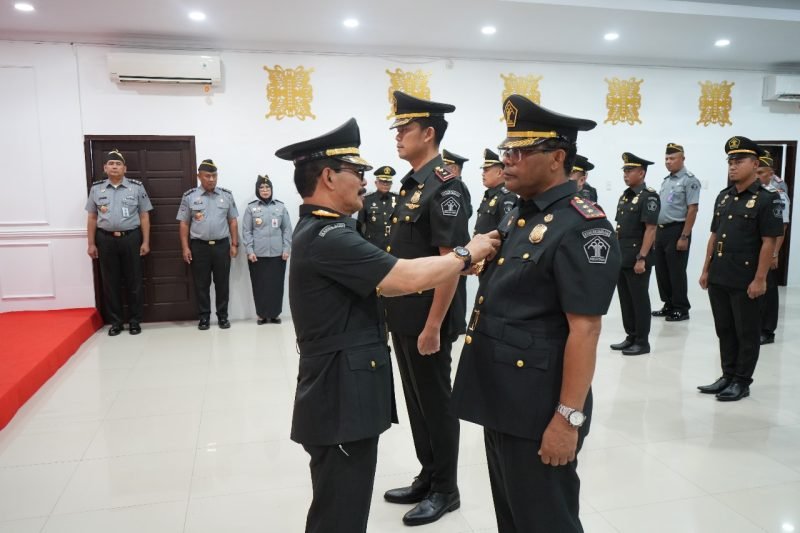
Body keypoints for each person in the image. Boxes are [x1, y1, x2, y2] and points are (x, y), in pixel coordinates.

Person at [275, 118, 499, 533]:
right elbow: (404, 277)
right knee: (339, 511)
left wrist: (449, 266)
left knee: (343, 501)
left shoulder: (326, 229)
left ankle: (440, 483)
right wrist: (469, 253)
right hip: (340, 394)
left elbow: (404, 271)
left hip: (342, 387)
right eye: (355, 173)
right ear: (327, 176)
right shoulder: (329, 235)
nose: (363, 181)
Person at [451, 95, 621, 533]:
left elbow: (585, 329)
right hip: (503, 394)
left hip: (538, 403)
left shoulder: (584, 225)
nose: (507, 161)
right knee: (513, 515)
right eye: (506, 150)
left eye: (520, 151)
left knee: (545, 519)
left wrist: (568, 419)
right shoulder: (519, 214)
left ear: (557, 158)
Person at [382, 91, 471, 526]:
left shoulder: (447, 187)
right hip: (404, 315)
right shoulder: (412, 183)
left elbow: (449, 264)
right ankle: (428, 474)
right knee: (417, 402)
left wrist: (434, 324)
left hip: (428, 319)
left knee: (436, 402)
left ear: (429, 133)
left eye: (405, 129)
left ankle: (446, 489)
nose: (398, 136)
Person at [698, 136, 783, 401]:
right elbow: (714, 235)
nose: (733, 166)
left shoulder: (767, 200)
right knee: (724, 329)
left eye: (739, 161)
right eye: (730, 161)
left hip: (746, 278)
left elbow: (769, 241)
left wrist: (761, 278)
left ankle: (742, 381)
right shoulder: (724, 197)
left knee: (746, 333)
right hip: (720, 274)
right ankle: (727, 375)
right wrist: (705, 269)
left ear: (755, 164)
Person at [85, 149, 152, 336]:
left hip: (131, 237)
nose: (114, 167)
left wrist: (145, 241)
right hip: (105, 239)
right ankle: (115, 322)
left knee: (134, 281)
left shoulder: (136, 188)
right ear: (105, 168)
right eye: (111, 164)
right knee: (110, 282)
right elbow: (91, 217)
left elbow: (144, 216)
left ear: (125, 168)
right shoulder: (97, 189)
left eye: (118, 164)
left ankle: (135, 321)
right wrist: (91, 243)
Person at [177, 159, 239, 330]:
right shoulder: (190, 196)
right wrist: (185, 247)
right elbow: (184, 224)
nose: (211, 179)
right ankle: (204, 317)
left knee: (222, 283)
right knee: (201, 284)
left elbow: (233, 221)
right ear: (199, 176)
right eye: (207, 176)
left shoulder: (226, 196)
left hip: (221, 246)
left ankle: (223, 317)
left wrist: (235, 244)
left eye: (214, 175)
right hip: (199, 247)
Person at [610, 153, 660, 356]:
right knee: (626, 299)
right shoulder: (625, 196)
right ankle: (630, 336)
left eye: (630, 171)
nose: (626, 174)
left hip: (638, 257)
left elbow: (651, 229)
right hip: (623, 255)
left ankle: (642, 341)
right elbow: (619, 228)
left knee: (639, 300)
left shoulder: (649, 197)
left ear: (642, 172)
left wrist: (642, 258)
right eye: (625, 170)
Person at [651, 143, 701, 322]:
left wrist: (684, 236)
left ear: (682, 159)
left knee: (676, 271)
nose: (668, 162)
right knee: (662, 271)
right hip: (661, 231)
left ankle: (681, 308)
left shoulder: (690, 180)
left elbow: (692, 209)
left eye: (672, 158)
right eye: (666, 158)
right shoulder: (667, 180)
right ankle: (668, 304)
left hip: (677, 230)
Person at [242, 174, 292, 324]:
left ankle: (275, 314)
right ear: (257, 190)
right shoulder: (251, 208)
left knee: (276, 285)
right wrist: (250, 251)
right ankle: (262, 315)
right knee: (260, 285)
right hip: (258, 254)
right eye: (262, 187)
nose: (265, 190)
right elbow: (246, 231)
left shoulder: (280, 206)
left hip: (278, 253)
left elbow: (287, 230)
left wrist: (286, 248)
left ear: (271, 189)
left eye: (267, 187)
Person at [756, 150, 790, 345]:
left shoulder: (777, 195)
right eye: (757, 172)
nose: (758, 176)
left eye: (762, 172)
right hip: (754, 249)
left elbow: (782, 227)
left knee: (768, 291)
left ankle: (768, 331)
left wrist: (775, 253)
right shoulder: (756, 194)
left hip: (769, 249)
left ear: (770, 174)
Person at [474, 148, 517, 234]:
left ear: (499, 172)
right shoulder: (489, 196)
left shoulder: (507, 197)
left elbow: (506, 231)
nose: (483, 173)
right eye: (483, 170)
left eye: (486, 170)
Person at [356, 165, 398, 250]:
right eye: (382, 181)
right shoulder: (366, 200)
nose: (385, 184)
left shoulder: (398, 199)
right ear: (376, 183)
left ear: (391, 183)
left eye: (388, 182)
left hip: (393, 245)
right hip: (372, 246)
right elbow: (359, 225)